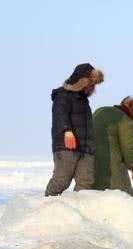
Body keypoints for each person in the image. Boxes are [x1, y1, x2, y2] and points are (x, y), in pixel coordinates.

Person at [45, 63, 104, 196]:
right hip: (67, 145)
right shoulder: (62, 95)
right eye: (91, 84)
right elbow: (60, 115)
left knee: (85, 182)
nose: (92, 88)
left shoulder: (84, 100)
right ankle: (46, 206)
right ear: (82, 82)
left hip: (86, 147)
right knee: (62, 180)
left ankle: (79, 211)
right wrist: (67, 131)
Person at [92, 97, 133, 196]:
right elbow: (128, 146)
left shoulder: (102, 110)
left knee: (95, 185)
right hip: (109, 153)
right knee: (121, 188)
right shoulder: (126, 121)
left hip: (89, 152)